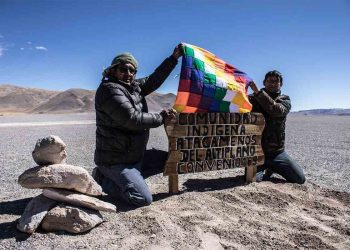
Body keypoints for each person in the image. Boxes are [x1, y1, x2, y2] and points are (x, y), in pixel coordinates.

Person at [93, 44, 183, 207]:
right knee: (143, 198)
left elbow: (154, 79)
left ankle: (130, 179)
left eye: (132, 70)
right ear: (113, 70)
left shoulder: (133, 88)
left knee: (171, 161)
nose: (128, 74)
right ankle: (102, 178)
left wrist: (173, 58)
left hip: (134, 156)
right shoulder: (109, 90)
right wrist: (161, 117)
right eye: (123, 69)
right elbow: (132, 119)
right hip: (115, 160)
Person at [247, 70, 306, 184]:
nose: (272, 83)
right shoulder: (253, 98)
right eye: (269, 81)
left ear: (281, 84)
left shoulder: (285, 100)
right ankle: (266, 168)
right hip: (256, 152)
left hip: (276, 153)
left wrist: (258, 92)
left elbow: (275, 110)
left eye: (276, 81)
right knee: (252, 179)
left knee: (299, 179)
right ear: (264, 82)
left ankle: (273, 167)